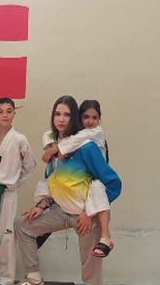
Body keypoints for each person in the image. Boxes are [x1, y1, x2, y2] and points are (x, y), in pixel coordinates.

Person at [7, 95, 122, 285]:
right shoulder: (55, 146)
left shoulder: (87, 147)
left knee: (90, 273)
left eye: (67, 114)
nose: (61, 119)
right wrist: (44, 203)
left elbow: (113, 183)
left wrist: (89, 213)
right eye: (57, 114)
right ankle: (34, 278)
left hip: (85, 218)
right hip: (61, 211)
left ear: (75, 118)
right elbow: (55, 179)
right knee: (23, 225)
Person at [37, 100, 112, 256]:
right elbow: (50, 155)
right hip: (63, 196)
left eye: (94, 117)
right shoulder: (58, 136)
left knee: (98, 189)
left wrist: (88, 212)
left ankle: (106, 237)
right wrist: (53, 150)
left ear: (100, 119)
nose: (90, 121)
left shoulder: (92, 135)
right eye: (86, 117)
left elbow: (73, 142)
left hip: (93, 180)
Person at [0, 98, 36, 285]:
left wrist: (14, 183)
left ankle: (6, 278)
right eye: (1, 111)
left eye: (9, 111)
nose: (5, 114)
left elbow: (30, 165)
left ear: (14, 113)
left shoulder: (20, 139)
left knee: (7, 235)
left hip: (7, 192)